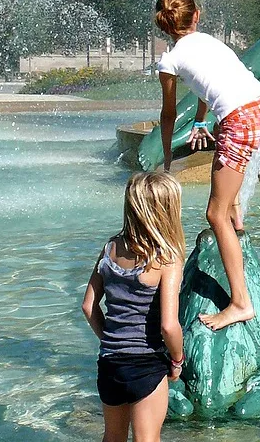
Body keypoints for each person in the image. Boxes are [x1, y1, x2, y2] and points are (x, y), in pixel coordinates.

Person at [154, 0, 260, 330]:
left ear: (164, 28)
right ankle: (237, 224)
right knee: (224, 172)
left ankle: (240, 303)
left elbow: (167, 115)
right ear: (196, 16)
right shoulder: (209, 41)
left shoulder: (169, 61)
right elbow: (209, 84)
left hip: (239, 120)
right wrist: (199, 120)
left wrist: (167, 160)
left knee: (213, 212)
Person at [81, 172, 186, 442]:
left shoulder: (110, 248)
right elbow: (168, 325)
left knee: (113, 437)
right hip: (146, 364)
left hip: (110, 363)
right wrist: (177, 361)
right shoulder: (166, 258)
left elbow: (88, 306)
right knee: (146, 438)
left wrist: (111, 341)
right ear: (168, 210)